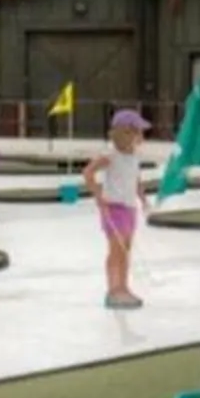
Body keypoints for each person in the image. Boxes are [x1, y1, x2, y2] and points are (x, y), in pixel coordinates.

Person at [84, 107, 150, 309]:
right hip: (114, 207)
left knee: (126, 249)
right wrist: (98, 197)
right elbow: (88, 173)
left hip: (129, 208)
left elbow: (136, 179)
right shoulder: (110, 155)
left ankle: (123, 287)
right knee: (116, 250)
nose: (141, 136)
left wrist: (143, 198)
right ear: (125, 132)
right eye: (137, 131)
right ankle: (113, 290)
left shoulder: (135, 156)